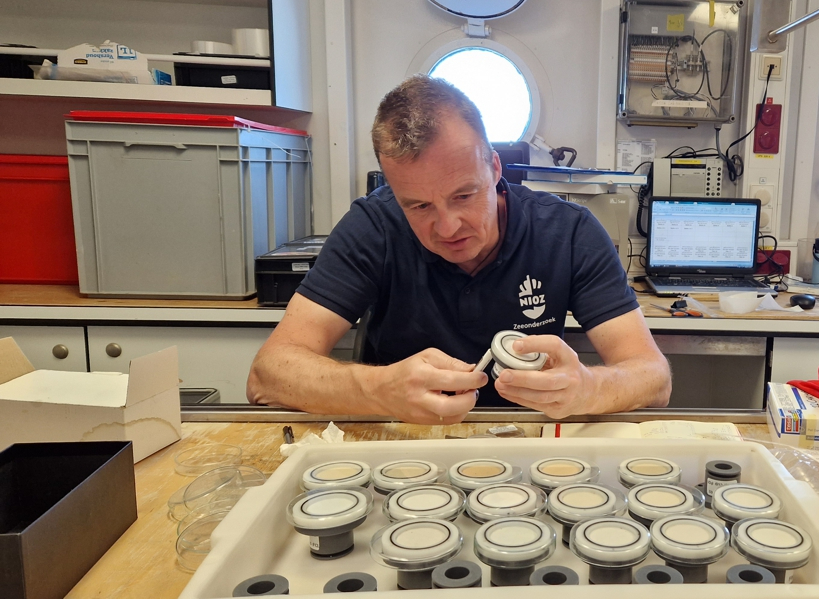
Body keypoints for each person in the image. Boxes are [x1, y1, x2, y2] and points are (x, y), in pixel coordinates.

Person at [247, 75, 671, 423]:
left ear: (494, 167)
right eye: (419, 206)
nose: (447, 227)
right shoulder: (373, 226)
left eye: (464, 195)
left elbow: (654, 379)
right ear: (393, 191)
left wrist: (587, 389)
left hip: (532, 443)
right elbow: (268, 375)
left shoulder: (569, 232)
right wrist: (379, 391)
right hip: (405, 442)